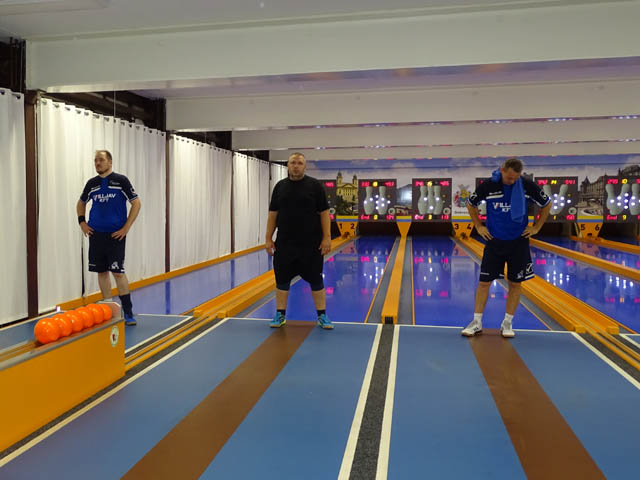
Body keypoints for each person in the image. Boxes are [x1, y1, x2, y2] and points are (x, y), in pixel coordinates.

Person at [462, 158, 551, 338]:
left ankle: (507, 323)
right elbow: (471, 203)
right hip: (494, 241)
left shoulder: (526, 185)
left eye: (515, 178)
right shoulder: (489, 185)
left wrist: (537, 227)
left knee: (515, 283)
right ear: (502, 170)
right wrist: (478, 226)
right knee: (484, 282)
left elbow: (547, 203)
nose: (512, 181)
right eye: (509, 178)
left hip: (518, 242)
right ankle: (476, 322)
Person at [265, 152, 333, 329]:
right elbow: (273, 214)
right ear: (288, 165)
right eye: (293, 163)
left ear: (305, 166)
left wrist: (327, 238)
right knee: (282, 280)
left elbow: (324, 213)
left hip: (311, 244)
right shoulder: (280, 187)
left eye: (299, 163)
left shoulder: (315, 186)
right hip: (285, 243)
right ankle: (280, 315)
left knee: (316, 280)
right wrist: (268, 238)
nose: (296, 166)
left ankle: (322, 315)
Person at [77, 150, 141, 326]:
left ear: (110, 162)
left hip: (115, 236)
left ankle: (128, 312)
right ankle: (109, 310)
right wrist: (82, 222)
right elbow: (81, 203)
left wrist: (126, 227)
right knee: (102, 272)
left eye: (101, 160)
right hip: (96, 235)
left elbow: (136, 203)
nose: (98, 163)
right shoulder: (92, 184)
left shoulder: (121, 181)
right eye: (95, 160)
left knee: (118, 272)